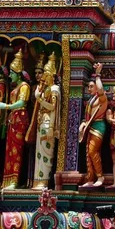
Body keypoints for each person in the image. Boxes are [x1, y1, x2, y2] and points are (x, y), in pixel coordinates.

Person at [0, 49, 30, 189]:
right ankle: (8, 180)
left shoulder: (24, 86)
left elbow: (22, 103)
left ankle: (14, 180)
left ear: (18, 74)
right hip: (13, 120)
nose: (10, 75)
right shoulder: (16, 86)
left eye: (12, 73)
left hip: (20, 119)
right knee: (9, 151)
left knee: (16, 151)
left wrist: (6, 106)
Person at [32, 52, 61, 189]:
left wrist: (40, 99)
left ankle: (43, 181)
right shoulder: (45, 89)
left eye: (46, 75)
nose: (43, 77)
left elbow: (53, 107)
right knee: (39, 152)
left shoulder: (54, 89)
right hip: (41, 121)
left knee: (46, 152)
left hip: (48, 122)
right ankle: (37, 180)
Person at [79, 62, 107, 188]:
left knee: (92, 151)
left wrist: (98, 75)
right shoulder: (91, 101)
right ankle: (90, 178)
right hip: (90, 127)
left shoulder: (102, 99)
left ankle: (100, 176)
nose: (89, 89)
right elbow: (87, 118)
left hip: (98, 127)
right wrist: (83, 124)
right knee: (88, 153)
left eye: (91, 86)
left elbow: (101, 90)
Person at [25, 53, 46, 187]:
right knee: (31, 150)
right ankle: (28, 180)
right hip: (32, 119)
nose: (38, 75)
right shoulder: (32, 87)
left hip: (43, 120)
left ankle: (38, 180)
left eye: (40, 72)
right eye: (36, 72)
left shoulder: (47, 89)